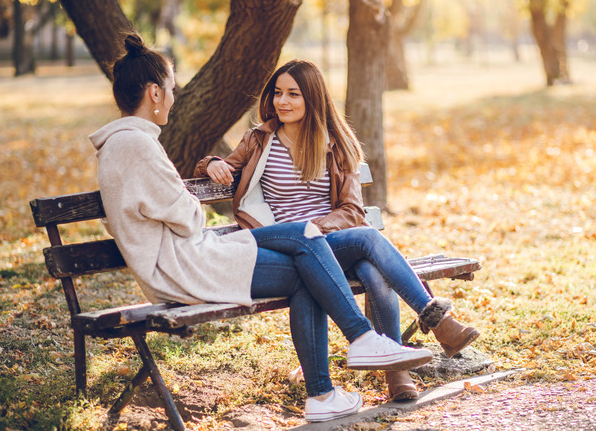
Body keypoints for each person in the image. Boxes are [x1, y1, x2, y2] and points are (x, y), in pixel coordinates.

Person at [89, 34, 434, 423]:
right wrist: (193, 193)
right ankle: (353, 351)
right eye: (170, 90)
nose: (172, 98)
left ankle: (334, 381)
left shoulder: (127, 144)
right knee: (309, 255)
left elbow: (166, 208)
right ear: (154, 93)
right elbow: (189, 217)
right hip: (188, 265)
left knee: (306, 242)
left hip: (189, 257)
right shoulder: (136, 145)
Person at [194, 59, 480, 401]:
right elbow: (219, 165)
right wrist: (210, 164)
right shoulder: (259, 140)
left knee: (372, 268)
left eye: (293, 95)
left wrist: (319, 226)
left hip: (331, 241)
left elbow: (352, 210)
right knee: (369, 242)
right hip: (289, 248)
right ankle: (431, 331)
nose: (282, 102)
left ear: (312, 98)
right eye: (278, 93)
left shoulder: (335, 143)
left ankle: (399, 367)